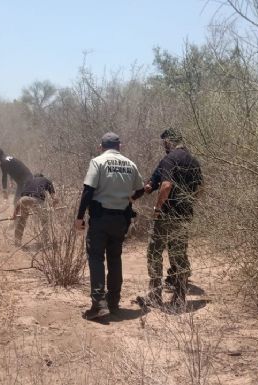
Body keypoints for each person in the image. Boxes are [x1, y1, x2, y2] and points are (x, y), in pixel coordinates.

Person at [75, 132, 145, 320]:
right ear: (119, 146)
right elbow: (140, 189)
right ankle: (113, 302)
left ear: (101, 147)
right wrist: (131, 198)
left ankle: (99, 304)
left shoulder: (98, 162)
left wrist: (79, 217)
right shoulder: (130, 164)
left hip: (100, 218)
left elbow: (88, 190)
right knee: (115, 258)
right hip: (121, 219)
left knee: (96, 258)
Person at [137, 128, 203, 310]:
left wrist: (157, 208)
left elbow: (166, 185)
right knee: (179, 255)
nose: (164, 146)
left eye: (164, 142)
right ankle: (180, 297)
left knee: (154, 252)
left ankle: (155, 295)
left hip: (167, 215)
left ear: (168, 141)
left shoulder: (170, 159)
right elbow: (201, 188)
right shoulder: (193, 161)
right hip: (184, 216)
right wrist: (188, 203)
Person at [13, 173, 57, 247]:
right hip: (37, 200)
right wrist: (52, 207)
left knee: (22, 220)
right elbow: (55, 199)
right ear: (42, 177)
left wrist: (14, 214)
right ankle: (45, 242)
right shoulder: (47, 180)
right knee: (45, 221)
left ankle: (17, 242)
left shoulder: (29, 181)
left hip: (24, 200)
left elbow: (20, 200)